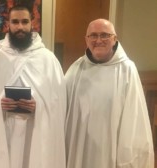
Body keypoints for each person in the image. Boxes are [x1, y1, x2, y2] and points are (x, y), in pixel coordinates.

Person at [0, 5, 66, 168]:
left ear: (32, 24)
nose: (20, 27)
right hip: (6, 131)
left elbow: (60, 104)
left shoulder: (48, 60)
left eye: (24, 21)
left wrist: (39, 106)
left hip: (36, 132)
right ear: (8, 25)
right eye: (15, 22)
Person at [65, 18, 154, 168]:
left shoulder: (127, 69)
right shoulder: (76, 69)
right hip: (80, 146)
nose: (98, 40)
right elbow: (59, 101)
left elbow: (134, 117)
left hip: (111, 149)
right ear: (86, 40)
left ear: (114, 39)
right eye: (93, 35)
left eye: (104, 35)